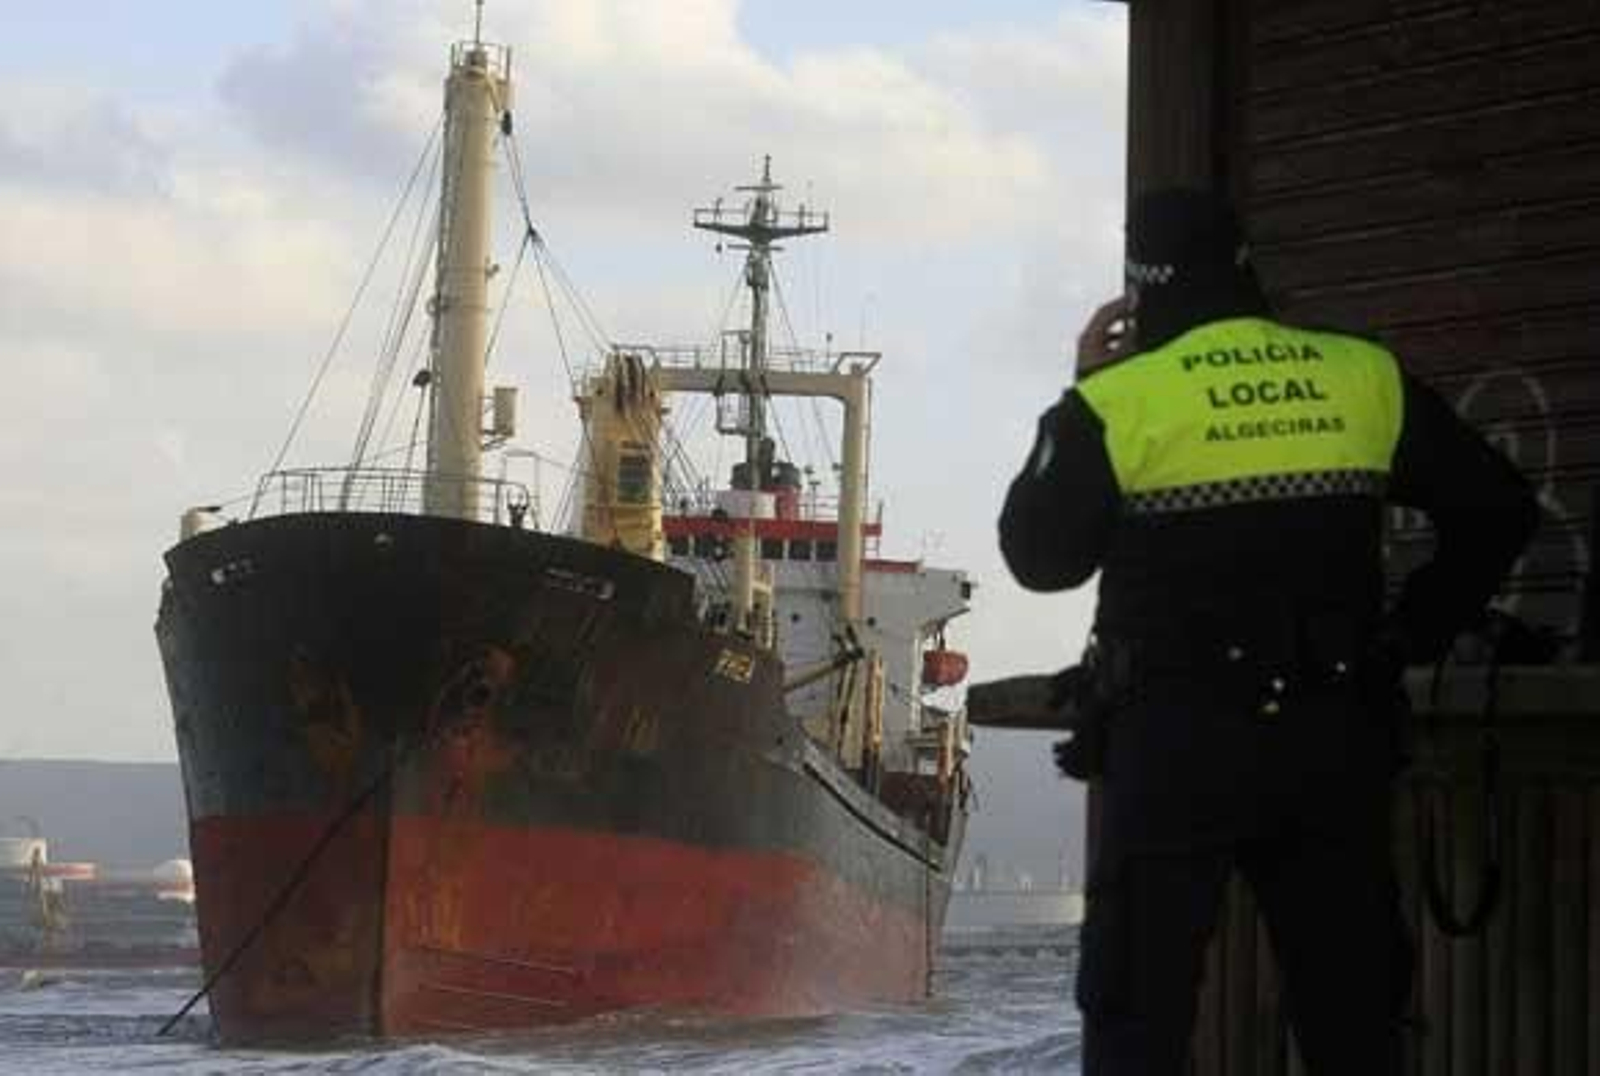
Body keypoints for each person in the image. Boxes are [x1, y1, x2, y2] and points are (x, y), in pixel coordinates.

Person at [998, 187, 1538, 1075]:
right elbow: (1500, 510)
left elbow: (1041, 559)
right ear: (1246, 267)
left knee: (1137, 1017)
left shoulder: (1119, 402)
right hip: (1332, 735)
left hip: (1172, 744)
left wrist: (1084, 387)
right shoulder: (1360, 378)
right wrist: (1410, 635)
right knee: (1352, 1017)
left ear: (1138, 293)